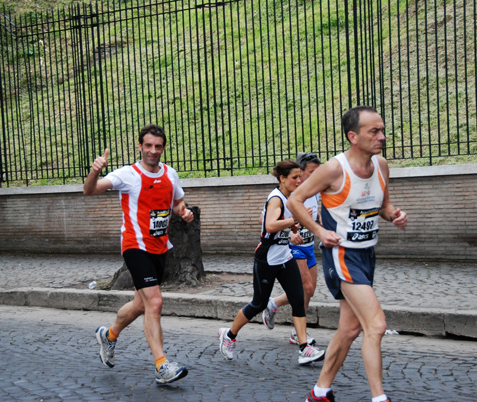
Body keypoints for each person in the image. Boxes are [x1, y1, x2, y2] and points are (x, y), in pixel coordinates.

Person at [287, 106, 408, 402]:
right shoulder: (334, 169)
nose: (382, 136)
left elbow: (382, 205)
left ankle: (319, 392)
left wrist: (394, 215)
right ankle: (379, 398)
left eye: (382, 129)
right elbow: (295, 200)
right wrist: (318, 230)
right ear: (353, 136)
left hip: (367, 254)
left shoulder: (381, 165)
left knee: (350, 327)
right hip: (341, 255)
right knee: (375, 324)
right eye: (374, 131)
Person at [83, 124, 194, 385]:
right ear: (140, 147)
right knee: (154, 303)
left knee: (140, 304)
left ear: (163, 148)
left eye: (158, 146)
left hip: (159, 247)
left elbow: (178, 202)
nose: (153, 151)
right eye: (148, 146)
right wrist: (94, 171)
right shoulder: (127, 175)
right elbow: (89, 191)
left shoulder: (170, 174)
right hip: (135, 246)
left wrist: (183, 212)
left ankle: (108, 335)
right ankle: (161, 365)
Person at [217, 160, 325, 366]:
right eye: (294, 177)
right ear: (282, 178)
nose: (299, 180)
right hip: (267, 258)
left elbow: (284, 224)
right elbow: (270, 224)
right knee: (258, 303)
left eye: (300, 177)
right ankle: (229, 335)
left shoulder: (288, 197)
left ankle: (304, 348)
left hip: (284, 255)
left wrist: (293, 229)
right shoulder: (276, 198)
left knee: (298, 296)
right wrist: (294, 220)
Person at [261, 152, 323, 347]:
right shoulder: (290, 194)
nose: (316, 175)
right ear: (301, 173)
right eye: (312, 172)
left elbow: (315, 214)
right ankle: (298, 334)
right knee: (304, 287)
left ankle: (274, 303)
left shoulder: (316, 191)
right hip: (292, 246)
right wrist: (291, 231)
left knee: (309, 290)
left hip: (308, 246)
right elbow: (270, 222)